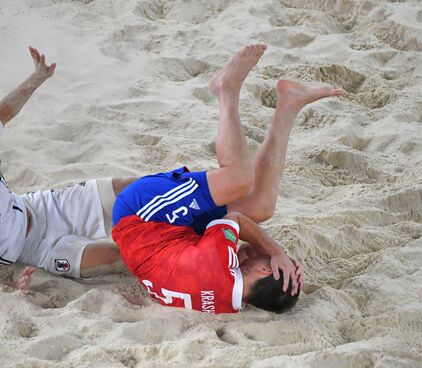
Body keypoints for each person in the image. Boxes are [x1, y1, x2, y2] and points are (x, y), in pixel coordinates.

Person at [112, 44, 345, 314]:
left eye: (269, 264)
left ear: (264, 269)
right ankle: (289, 105)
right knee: (261, 207)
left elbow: (235, 224)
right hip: (168, 237)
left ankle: (227, 88)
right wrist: (272, 257)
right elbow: (245, 251)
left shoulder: (218, 262)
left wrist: (276, 250)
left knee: (238, 179)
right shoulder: (231, 303)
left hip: (141, 215)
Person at [0, 46, 134, 289]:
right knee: (123, 256)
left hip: (44, 206)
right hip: (39, 250)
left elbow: (1, 113)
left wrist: (38, 77)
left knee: (129, 188)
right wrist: (12, 285)